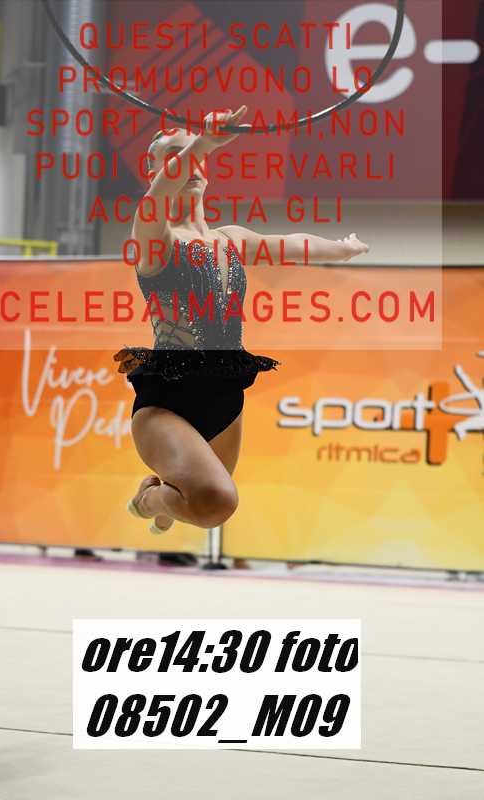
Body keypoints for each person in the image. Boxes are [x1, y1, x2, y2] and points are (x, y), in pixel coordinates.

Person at [114, 106, 369, 535]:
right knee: (216, 502)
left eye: (194, 157)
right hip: (167, 400)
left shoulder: (229, 239)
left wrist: (340, 250)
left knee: (201, 504)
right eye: (175, 156)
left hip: (225, 396)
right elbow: (155, 200)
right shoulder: (156, 238)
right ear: (154, 171)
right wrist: (202, 143)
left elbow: (289, 244)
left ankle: (159, 498)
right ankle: (147, 503)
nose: (189, 163)